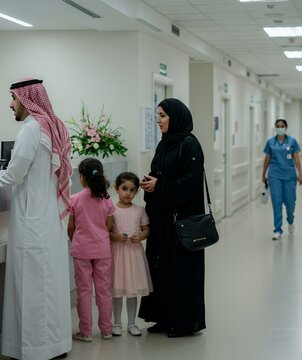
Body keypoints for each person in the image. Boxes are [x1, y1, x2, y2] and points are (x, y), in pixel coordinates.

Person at [0, 78, 72, 360]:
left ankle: (35, 351)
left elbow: (14, 174)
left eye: (13, 98)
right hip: (49, 218)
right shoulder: (55, 125)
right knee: (50, 285)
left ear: (26, 99)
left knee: (32, 287)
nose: (10, 104)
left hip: (33, 219)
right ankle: (55, 346)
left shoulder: (32, 129)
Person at [139, 98, 206, 338]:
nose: (158, 120)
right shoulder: (165, 144)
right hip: (161, 219)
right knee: (160, 268)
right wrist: (150, 183)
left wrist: (161, 185)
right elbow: (160, 173)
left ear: (176, 117)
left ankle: (183, 322)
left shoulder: (189, 145)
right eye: (157, 115)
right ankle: (163, 318)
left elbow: (190, 183)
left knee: (180, 271)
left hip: (181, 221)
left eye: (163, 115)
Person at [67, 158, 116, 342]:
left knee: (84, 291)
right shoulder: (107, 200)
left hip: (81, 251)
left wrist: (77, 241)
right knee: (104, 291)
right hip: (102, 250)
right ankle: (106, 330)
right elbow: (108, 227)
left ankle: (85, 332)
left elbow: (71, 228)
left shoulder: (74, 199)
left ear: (81, 178)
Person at [109, 172, 151, 337]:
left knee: (132, 291)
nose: (128, 193)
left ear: (136, 192)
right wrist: (116, 237)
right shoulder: (111, 210)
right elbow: (107, 231)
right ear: (116, 188)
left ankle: (132, 323)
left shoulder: (139, 210)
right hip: (118, 254)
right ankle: (117, 323)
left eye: (132, 190)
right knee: (117, 291)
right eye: (124, 189)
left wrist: (140, 236)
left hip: (134, 255)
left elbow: (146, 229)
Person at [261, 119, 302, 240]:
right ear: (275, 128)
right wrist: (263, 174)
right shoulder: (270, 142)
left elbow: (297, 158)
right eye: (278, 126)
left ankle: (290, 220)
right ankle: (277, 229)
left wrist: (300, 174)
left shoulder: (292, 141)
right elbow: (267, 159)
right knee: (276, 202)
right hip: (274, 175)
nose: (280, 128)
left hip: (290, 176)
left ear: (286, 127)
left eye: (282, 126)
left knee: (290, 203)